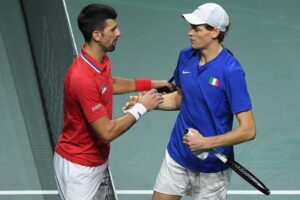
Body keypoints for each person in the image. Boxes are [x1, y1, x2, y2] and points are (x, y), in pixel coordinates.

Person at [125, 2, 256, 200]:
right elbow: (181, 98)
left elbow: (248, 129)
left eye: (196, 28)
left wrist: (205, 143)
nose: (190, 33)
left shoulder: (231, 71)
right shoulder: (185, 56)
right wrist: (149, 102)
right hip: (178, 154)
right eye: (190, 28)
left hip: (212, 167)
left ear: (214, 32)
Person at [53, 3, 173, 200]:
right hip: (79, 169)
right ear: (96, 35)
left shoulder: (100, 61)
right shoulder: (82, 77)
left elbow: (110, 83)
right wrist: (142, 107)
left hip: (96, 161)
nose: (119, 33)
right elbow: (106, 132)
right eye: (113, 29)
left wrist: (152, 83)